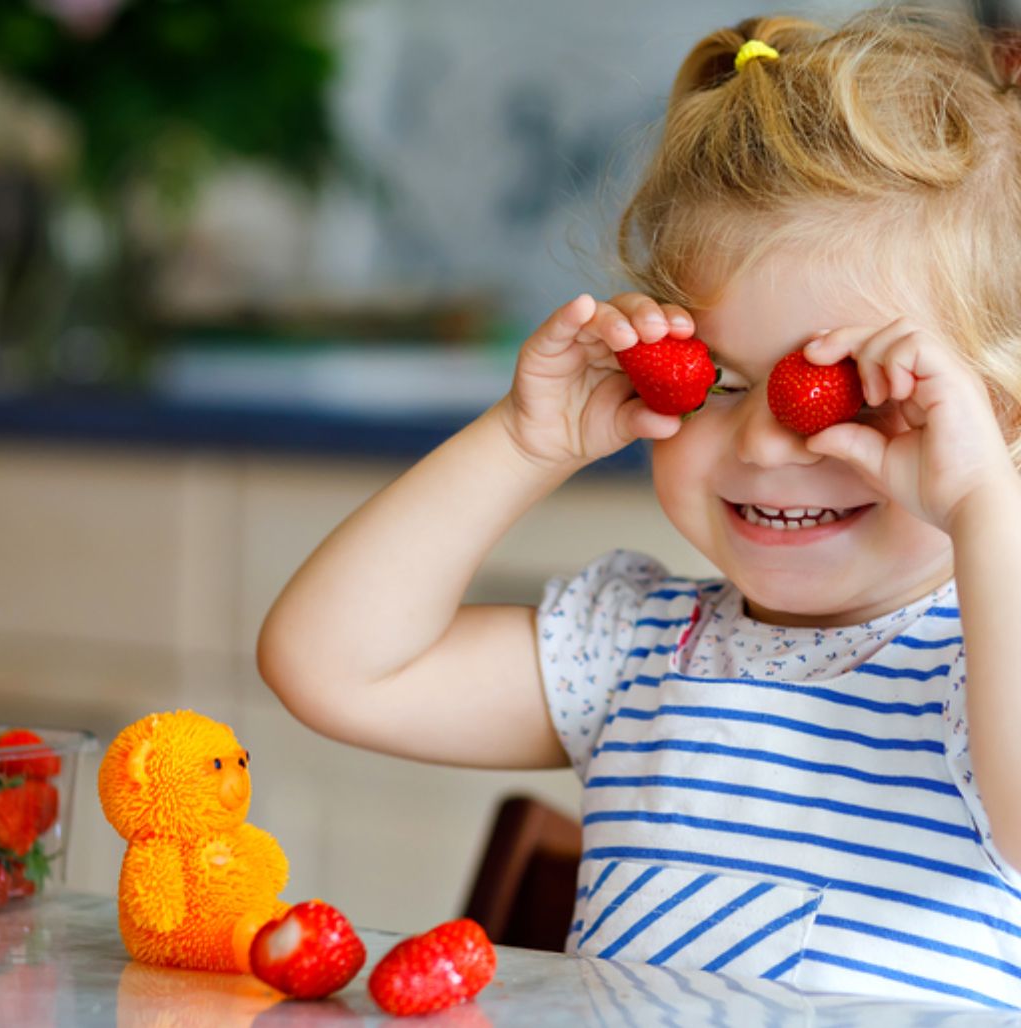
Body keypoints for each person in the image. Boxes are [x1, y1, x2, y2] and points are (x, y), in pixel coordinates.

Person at [258, 5, 1021, 1009]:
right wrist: (520, 441)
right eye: (717, 383)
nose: (759, 441)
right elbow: (331, 667)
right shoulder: (635, 647)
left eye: (862, 404)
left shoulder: (984, 662)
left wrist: (981, 504)